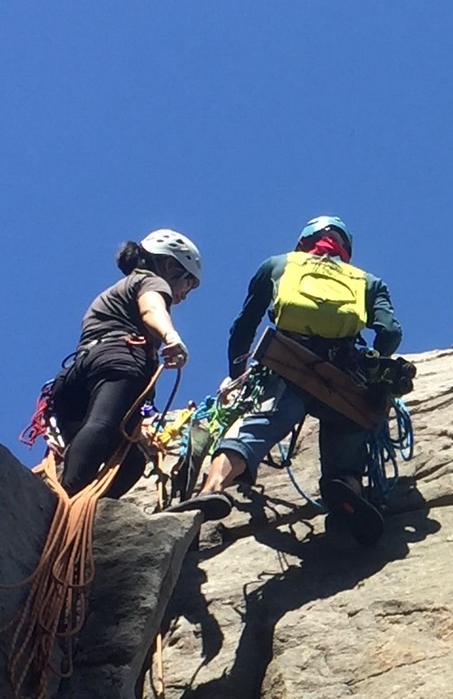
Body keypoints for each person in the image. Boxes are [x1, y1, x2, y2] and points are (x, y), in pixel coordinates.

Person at [190, 216, 402, 544]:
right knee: (348, 429)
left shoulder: (278, 264)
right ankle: (347, 490)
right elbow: (390, 332)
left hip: (286, 360)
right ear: (345, 249)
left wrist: (237, 377)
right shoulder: (367, 281)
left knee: (255, 429)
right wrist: (376, 379)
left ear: (304, 241)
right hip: (343, 373)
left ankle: (212, 489)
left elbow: (244, 326)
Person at [46, 231, 205, 499]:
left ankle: (86, 505)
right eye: (188, 282)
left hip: (77, 377)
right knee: (103, 426)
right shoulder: (151, 281)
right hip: (118, 363)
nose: (185, 295)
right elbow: (152, 310)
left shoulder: (114, 293)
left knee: (130, 463)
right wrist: (171, 336)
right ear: (169, 266)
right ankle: (66, 501)